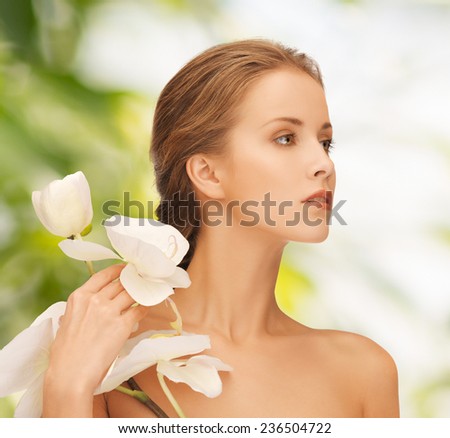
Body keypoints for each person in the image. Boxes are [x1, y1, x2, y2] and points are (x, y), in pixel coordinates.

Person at [42, 39, 400, 418]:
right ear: (207, 173)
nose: (322, 165)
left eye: (325, 143)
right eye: (285, 138)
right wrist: (67, 385)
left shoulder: (362, 371)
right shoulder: (104, 346)